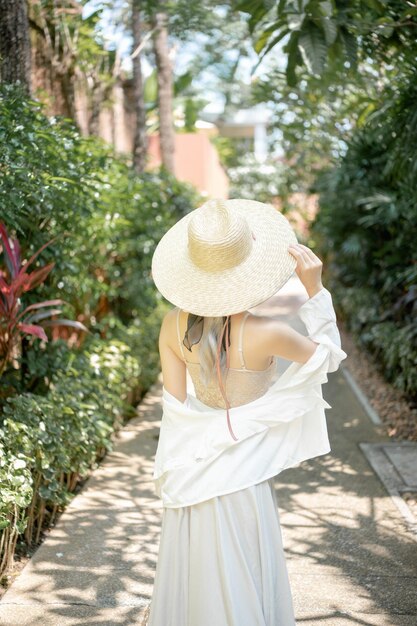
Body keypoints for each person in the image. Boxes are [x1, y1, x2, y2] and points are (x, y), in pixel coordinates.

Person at [147, 198, 347, 626]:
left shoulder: (171, 326)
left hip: (193, 471)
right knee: (243, 570)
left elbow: (176, 409)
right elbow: (327, 359)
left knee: (196, 573)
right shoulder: (268, 332)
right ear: (246, 267)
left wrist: (180, 463)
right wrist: (315, 289)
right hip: (245, 474)